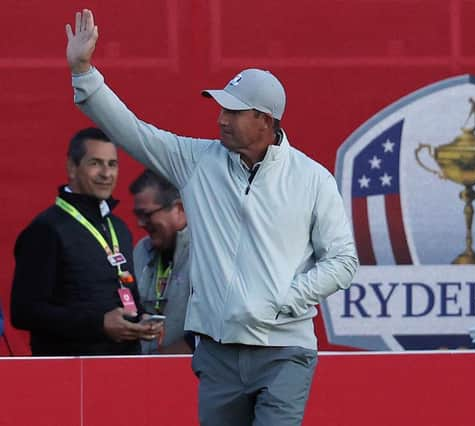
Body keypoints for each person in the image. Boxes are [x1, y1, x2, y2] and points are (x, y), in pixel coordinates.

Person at [66, 10, 358, 425]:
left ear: (265, 119)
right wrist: (84, 72)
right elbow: (133, 131)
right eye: (221, 109)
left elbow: (343, 262)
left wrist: (282, 302)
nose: (221, 118)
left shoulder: (313, 179)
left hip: (285, 353)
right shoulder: (198, 161)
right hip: (218, 355)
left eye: (234, 112)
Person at [11, 127, 161, 356]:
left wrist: (141, 319)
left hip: (126, 368)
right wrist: (98, 324)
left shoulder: (118, 228)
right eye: (95, 163)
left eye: (112, 164)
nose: (106, 173)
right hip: (70, 374)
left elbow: (125, 294)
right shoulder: (46, 229)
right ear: (72, 167)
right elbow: (24, 312)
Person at [130, 169, 193, 354]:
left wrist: (163, 362)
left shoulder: (207, 253)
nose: (140, 223)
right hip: (142, 372)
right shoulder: (141, 250)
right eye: (137, 214)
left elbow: (216, 328)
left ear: (179, 209)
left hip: (193, 376)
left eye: (147, 214)